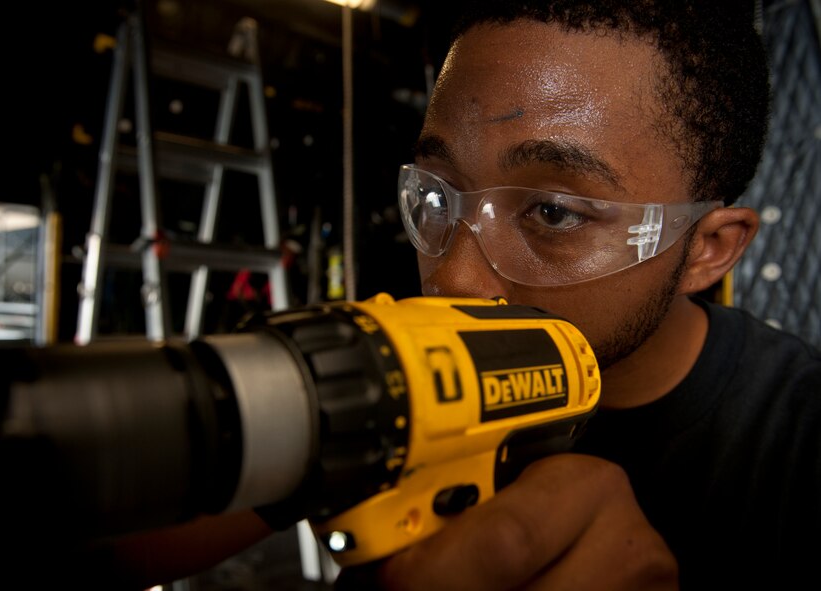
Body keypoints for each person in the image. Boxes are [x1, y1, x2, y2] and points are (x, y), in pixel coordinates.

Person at [77, 1, 820, 589]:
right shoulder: (402, 373)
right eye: (437, 198)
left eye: (553, 212)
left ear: (707, 248)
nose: (457, 275)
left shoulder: (792, 444)